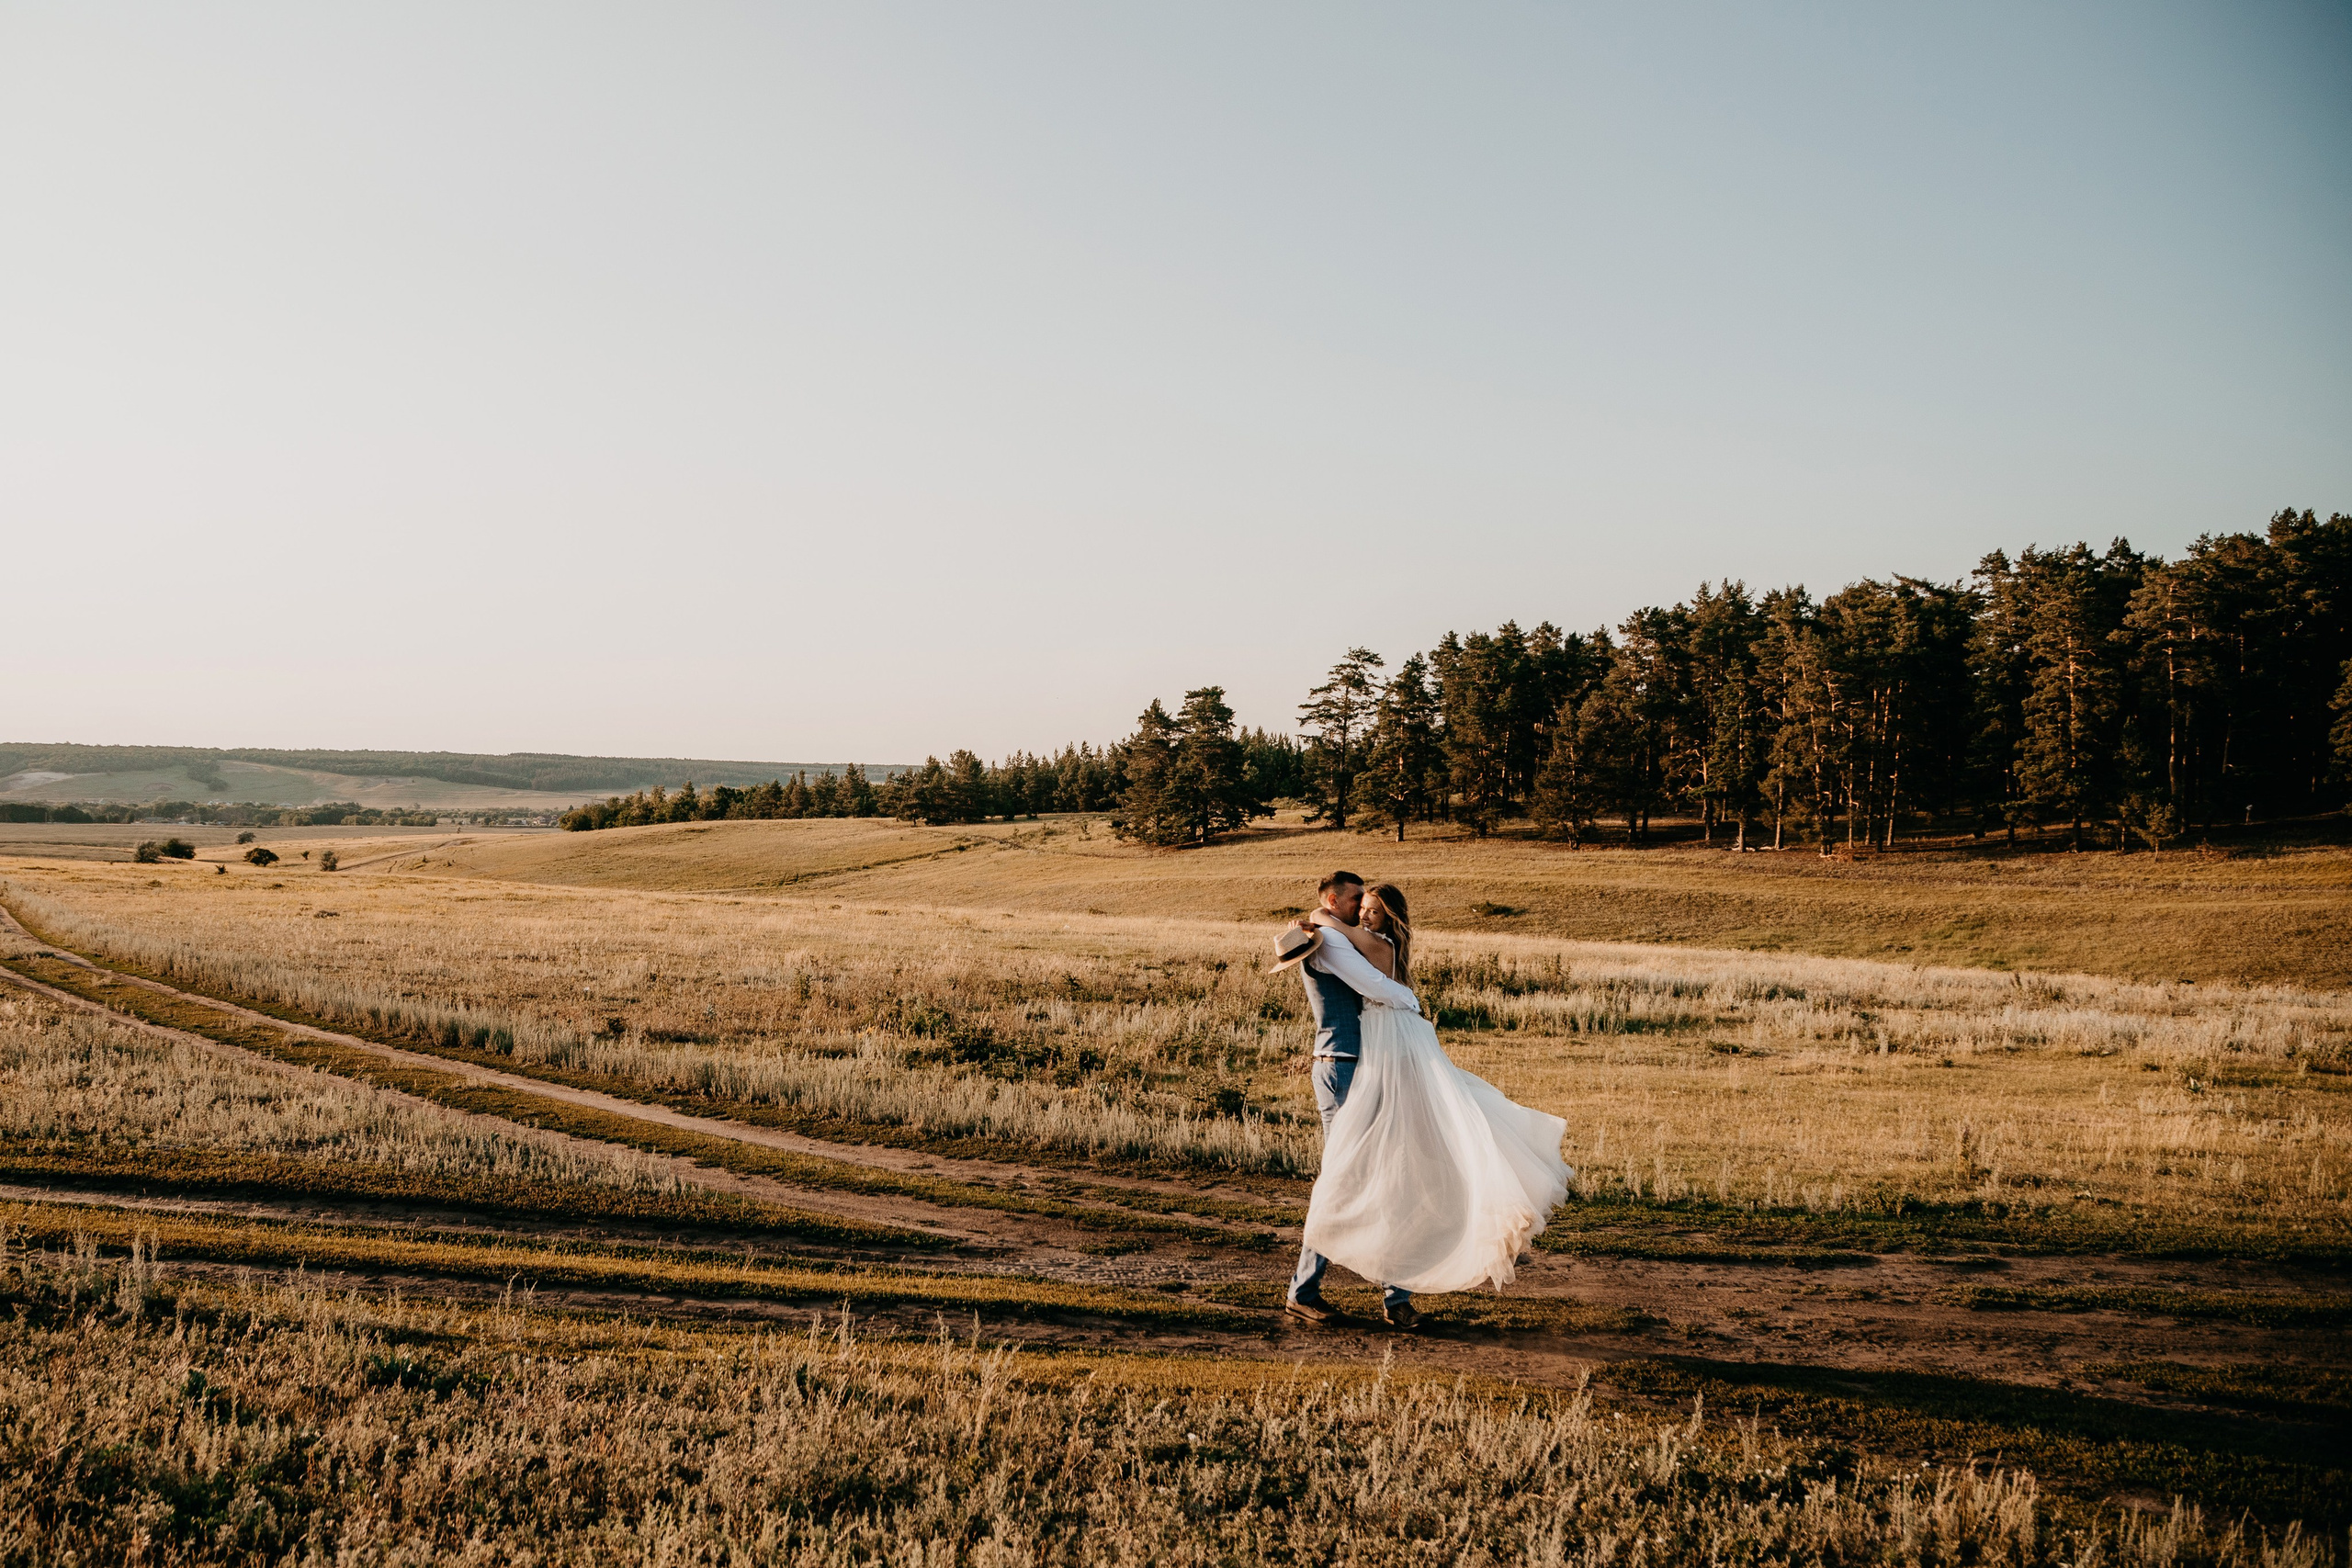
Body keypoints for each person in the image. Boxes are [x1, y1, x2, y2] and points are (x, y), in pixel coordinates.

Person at [1272, 875, 1573, 1330]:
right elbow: (1377, 987)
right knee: (1344, 1178)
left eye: (1367, 904)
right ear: (1333, 901)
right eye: (1355, 901)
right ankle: (1309, 1292)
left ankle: (1392, 1296)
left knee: (1394, 1171)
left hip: (1371, 1065)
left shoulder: (1339, 933)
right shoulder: (1329, 940)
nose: (1360, 909)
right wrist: (1410, 998)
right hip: (1344, 1066)